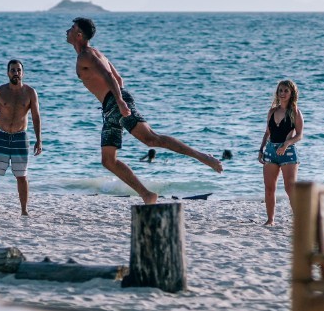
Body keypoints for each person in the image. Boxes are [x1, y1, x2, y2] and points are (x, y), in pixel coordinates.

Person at [67, 17, 222, 204]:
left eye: (72, 28)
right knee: (108, 160)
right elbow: (118, 78)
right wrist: (110, 101)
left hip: (116, 103)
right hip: (110, 107)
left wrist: (120, 102)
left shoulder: (86, 55)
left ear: (79, 34)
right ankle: (147, 194)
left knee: (150, 138)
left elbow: (109, 76)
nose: (67, 30)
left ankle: (203, 157)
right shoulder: (95, 53)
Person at [0, 59, 42, 215]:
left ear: (22, 73)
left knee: (22, 176)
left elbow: (36, 117)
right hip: (0, 136)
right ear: (7, 73)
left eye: (18, 70)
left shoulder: (30, 92)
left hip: (20, 137)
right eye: (12, 70)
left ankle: (24, 210)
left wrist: (39, 140)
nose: (16, 73)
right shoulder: (0, 91)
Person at [258, 80, 304, 225]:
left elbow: (299, 135)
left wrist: (286, 144)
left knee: (290, 188)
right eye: (280, 90)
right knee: (269, 187)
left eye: (286, 91)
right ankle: (270, 220)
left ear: (291, 93)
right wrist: (261, 149)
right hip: (270, 151)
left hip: (288, 152)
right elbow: (267, 132)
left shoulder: (295, 112)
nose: (282, 93)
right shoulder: (272, 111)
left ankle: (299, 220)